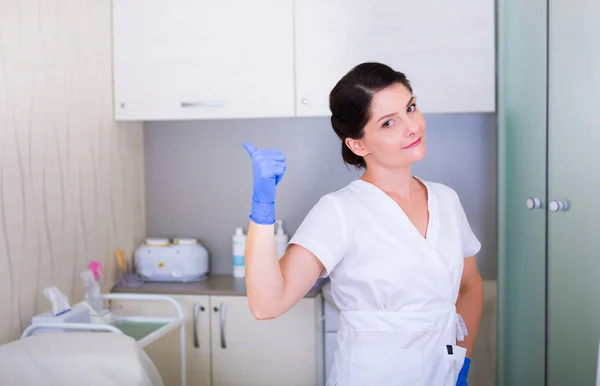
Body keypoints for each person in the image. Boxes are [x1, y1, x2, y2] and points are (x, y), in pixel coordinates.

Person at [242, 62, 483, 386]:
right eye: (388, 123)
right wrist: (263, 209)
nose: (412, 126)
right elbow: (267, 304)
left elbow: (469, 285)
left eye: (410, 107)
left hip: (443, 375)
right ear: (358, 144)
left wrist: (462, 362)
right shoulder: (340, 211)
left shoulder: (445, 200)